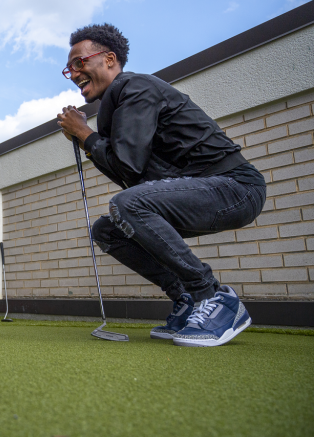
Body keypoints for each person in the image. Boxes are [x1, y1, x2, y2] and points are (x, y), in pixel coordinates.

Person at [56, 24, 266, 347]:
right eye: (69, 69)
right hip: (204, 189)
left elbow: (127, 167)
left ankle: (214, 298)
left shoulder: (134, 88)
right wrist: (87, 138)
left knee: (127, 204)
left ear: (109, 59)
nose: (74, 73)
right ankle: (187, 298)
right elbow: (134, 177)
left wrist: (84, 134)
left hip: (236, 186)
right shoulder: (116, 107)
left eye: (80, 63)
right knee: (107, 229)